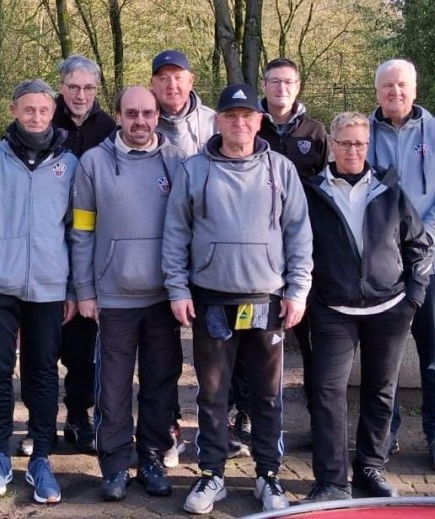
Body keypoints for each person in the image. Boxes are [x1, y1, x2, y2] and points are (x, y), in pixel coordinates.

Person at [163, 83, 313, 515]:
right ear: (219, 121)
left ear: (258, 121)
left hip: (266, 299)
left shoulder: (280, 169)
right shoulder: (194, 170)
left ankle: (268, 475)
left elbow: (299, 233)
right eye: (231, 116)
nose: (239, 124)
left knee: (266, 395)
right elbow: (176, 234)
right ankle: (212, 474)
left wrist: (298, 290)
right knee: (212, 394)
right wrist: (178, 288)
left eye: (247, 116)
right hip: (211, 300)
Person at [0, 79, 78, 503]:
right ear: (14, 111)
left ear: (52, 112)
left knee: (42, 374)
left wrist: (74, 287)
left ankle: (40, 458)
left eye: (43, 110)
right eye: (28, 110)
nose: (36, 117)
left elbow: (77, 232)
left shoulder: (69, 164)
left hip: (48, 289)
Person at [301, 112, 431, 502]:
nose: (352, 151)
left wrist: (414, 297)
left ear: (368, 145)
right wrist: (308, 298)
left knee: (380, 391)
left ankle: (370, 467)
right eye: (345, 143)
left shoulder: (390, 190)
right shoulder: (312, 192)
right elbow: (296, 248)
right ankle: (331, 481)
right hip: (332, 309)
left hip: (389, 308)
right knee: (327, 391)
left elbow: (418, 245)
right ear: (332, 145)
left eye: (359, 143)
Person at [71, 86, 186, 501]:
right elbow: (81, 231)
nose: (140, 121)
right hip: (113, 299)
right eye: (132, 113)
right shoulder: (93, 163)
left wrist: (181, 287)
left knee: (160, 383)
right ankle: (115, 463)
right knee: (113, 388)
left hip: (162, 298)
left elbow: (187, 228)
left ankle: (152, 458)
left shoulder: (177, 161)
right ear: (117, 116)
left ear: (158, 116)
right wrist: (85, 289)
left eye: (148, 113)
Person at [221, 57, 329, 450]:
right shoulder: (249, 124)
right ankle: (246, 415)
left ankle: (320, 421)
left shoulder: (316, 132)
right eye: (274, 81)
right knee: (250, 344)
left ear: (298, 86)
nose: (281, 88)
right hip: (256, 260)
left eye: (288, 81)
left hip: (303, 255)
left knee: (313, 346)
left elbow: (327, 189)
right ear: (264, 86)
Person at [367, 59, 435, 473]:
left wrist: (425, 238)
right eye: (387, 86)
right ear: (377, 92)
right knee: (384, 358)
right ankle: (384, 434)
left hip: (434, 263)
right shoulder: (363, 134)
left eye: (402, 85)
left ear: (415, 89)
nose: (395, 92)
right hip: (384, 267)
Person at [17, 54, 115, 457]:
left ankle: (78, 416)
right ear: (61, 88)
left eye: (88, 88)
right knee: (39, 351)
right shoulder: (41, 119)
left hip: (89, 253)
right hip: (42, 253)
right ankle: (37, 423)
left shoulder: (109, 129)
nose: (80, 95)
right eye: (73, 87)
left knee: (82, 349)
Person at [150, 49, 218, 466]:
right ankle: (169, 429)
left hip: (210, 255)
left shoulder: (214, 122)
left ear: (191, 81)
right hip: (159, 252)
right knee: (164, 355)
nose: (171, 85)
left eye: (178, 77)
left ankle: (219, 429)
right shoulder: (142, 120)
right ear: (153, 84)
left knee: (215, 354)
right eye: (163, 78)